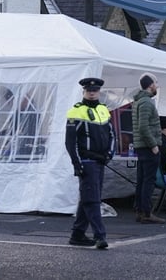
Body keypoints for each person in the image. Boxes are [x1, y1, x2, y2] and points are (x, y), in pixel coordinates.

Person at [64, 77, 114, 249]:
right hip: (87, 160)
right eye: (89, 91)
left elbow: (111, 134)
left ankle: (77, 234)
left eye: (95, 90)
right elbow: (70, 142)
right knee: (92, 199)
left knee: (88, 197)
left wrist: (110, 153)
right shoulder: (75, 111)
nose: (92, 93)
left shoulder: (103, 110)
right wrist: (77, 164)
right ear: (83, 92)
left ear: (99, 92)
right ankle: (100, 235)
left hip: (100, 161)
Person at [132, 72, 165, 224]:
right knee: (148, 180)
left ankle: (140, 210)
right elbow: (144, 127)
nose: (157, 86)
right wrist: (153, 145)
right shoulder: (146, 102)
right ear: (151, 85)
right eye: (156, 83)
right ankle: (146, 212)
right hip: (148, 146)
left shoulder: (139, 101)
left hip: (141, 146)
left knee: (142, 179)